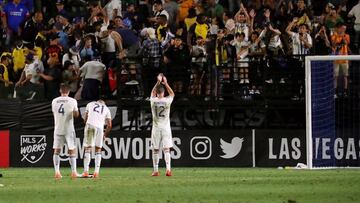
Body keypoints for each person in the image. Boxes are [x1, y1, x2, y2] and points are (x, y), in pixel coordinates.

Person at [51, 83, 79, 180]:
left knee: (57, 150)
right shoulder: (73, 101)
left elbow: (54, 113)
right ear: (69, 91)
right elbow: (76, 115)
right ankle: (74, 172)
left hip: (58, 127)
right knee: (72, 150)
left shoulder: (54, 101)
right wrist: (75, 112)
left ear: (60, 91)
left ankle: (57, 172)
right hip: (69, 129)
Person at [150, 73, 175, 177]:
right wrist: (166, 83)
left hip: (156, 128)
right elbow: (172, 94)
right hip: (165, 128)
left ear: (157, 93)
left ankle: (156, 171)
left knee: (156, 149)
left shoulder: (153, 100)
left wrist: (158, 82)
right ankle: (168, 170)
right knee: (166, 149)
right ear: (163, 93)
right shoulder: (167, 100)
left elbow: (152, 93)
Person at [82, 99, 112, 178]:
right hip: (100, 128)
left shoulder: (90, 104)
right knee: (98, 149)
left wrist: (87, 125)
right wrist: (104, 135)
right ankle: (96, 172)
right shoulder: (106, 108)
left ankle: (86, 171)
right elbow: (109, 125)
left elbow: (86, 118)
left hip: (91, 126)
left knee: (88, 148)